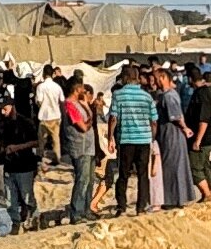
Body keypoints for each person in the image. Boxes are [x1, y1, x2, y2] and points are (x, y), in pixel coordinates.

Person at [108, 70, 157, 215]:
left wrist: (110, 137)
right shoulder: (147, 96)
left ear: (124, 78)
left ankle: (121, 206)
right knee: (143, 174)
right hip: (144, 139)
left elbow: (113, 118)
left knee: (123, 174)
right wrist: (152, 139)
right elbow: (154, 121)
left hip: (126, 139)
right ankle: (141, 207)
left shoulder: (118, 95)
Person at [0, 97, 42, 228]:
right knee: (10, 198)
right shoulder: (2, 124)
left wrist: (17, 147)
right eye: (1, 109)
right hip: (9, 166)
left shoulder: (25, 122)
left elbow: (36, 142)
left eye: (5, 109)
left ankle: (34, 218)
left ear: (12, 107)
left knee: (27, 196)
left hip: (25, 165)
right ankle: (15, 223)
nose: (2, 112)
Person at [61, 77, 99, 223]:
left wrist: (87, 106)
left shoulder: (79, 104)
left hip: (88, 147)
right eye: (82, 88)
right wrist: (89, 120)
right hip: (79, 147)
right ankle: (76, 212)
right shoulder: (70, 105)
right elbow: (82, 126)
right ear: (77, 89)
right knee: (82, 180)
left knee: (89, 180)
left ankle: (86, 209)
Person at [182, 71, 211, 203]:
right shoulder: (208, 92)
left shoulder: (201, 94)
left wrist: (197, 140)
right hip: (208, 138)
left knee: (194, 168)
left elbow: (204, 119)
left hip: (202, 139)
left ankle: (207, 194)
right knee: (204, 167)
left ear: (191, 78)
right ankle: (208, 194)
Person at [34, 65, 65, 164]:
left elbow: (39, 101)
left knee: (42, 139)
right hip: (55, 116)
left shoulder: (40, 87)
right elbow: (62, 100)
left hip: (44, 116)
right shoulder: (57, 87)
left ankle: (41, 158)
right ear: (52, 74)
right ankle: (57, 159)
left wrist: (41, 107)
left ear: (43, 74)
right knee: (56, 139)